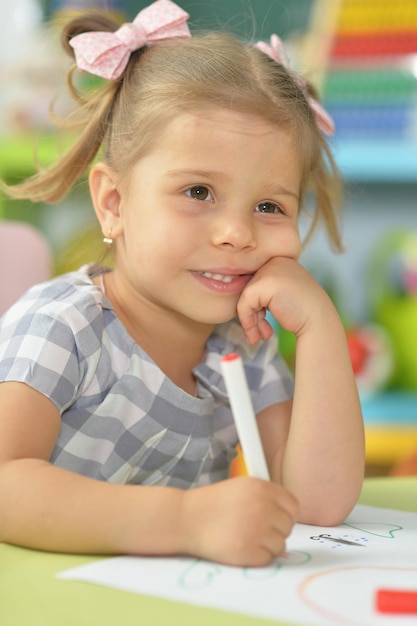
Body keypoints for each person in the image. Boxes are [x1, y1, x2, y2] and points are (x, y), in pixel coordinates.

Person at [0, 0, 364, 566]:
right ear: (114, 203)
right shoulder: (63, 326)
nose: (236, 233)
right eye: (198, 192)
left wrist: (320, 330)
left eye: (269, 205)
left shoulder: (244, 344)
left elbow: (316, 504)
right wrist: (186, 521)